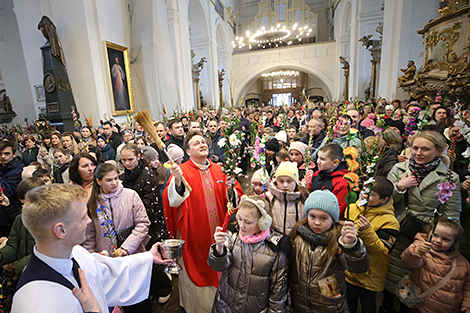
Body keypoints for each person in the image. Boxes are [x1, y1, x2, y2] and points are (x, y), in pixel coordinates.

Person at [12, 183, 172, 312]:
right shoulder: (34, 303)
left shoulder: (75, 252)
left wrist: (148, 257)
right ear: (61, 230)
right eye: (82, 217)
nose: (89, 221)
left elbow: (108, 273)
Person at [163, 130, 243, 312]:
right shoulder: (181, 170)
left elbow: (234, 200)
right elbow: (173, 201)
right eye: (196, 143)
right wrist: (177, 180)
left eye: (203, 141)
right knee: (196, 271)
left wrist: (231, 190)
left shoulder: (220, 169)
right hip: (194, 233)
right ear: (189, 152)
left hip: (218, 233)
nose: (202, 144)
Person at [382, 131, 462, 313]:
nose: (418, 153)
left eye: (425, 149)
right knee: (391, 278)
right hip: (399, 229)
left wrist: (438, 236)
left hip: (426, 237)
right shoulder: (400, 169)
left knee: (416, 282)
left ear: (439, 151)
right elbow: (383, 200)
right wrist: (399, 188)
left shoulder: (449, 178)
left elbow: (452, 212)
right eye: (416, 148)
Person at [289, 190, 370, 312]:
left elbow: (359, 268)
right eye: (312, 216)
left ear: (333, 219)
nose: (317, 222)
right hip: (300, 303)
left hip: (329, 305)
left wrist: (352, 246)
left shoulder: (339, 240)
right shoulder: (297, 236)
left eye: (323, 218)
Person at [208, 195, 290, 312]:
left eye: (247, 222)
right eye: (240, 219)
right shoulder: (232, 235)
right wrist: (219, 247)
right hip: (225, 306)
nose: (241, 225)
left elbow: (278, 293)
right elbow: (218, 266)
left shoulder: (275, 249)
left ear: (263, 223)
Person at [345, 177, 400, 313]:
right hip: (349, 272)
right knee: (347, 305)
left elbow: (382, 250)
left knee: (368, 307)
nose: (364, 195)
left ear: (384, 199)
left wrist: (366, 231)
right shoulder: (353, 208)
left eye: (371, 194)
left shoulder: (390, 222)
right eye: (364, 190)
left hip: (369, 277)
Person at [400, 217, 470, 313]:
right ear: (428, 233)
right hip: (420, 308)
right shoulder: (424, 252)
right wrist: (417, 251)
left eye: (445, 239)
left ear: (454, 242)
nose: (438, 241)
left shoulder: (463, 263)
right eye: (435, 235)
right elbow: (408, 260)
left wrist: (467, 304)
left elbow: (467, 286)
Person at [266, 161, 308, 235]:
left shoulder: (303, 199)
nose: (285, 185)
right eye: (281, 181)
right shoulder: (269, 198)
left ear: (295, 182)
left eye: (289, 181)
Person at [309, 144, 349, 217]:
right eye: (318, 157)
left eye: (322, 159)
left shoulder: (341, 182)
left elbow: (339, 208)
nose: (318, 161)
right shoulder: (317, 174)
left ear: (335, 162)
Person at [0, 141, 25, 237]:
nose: (3, 157)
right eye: (1, 154)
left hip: (10, 215)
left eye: (7, 153)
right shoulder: (2, 167)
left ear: (14, 154)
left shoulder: (18, 170)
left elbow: (6, 190)